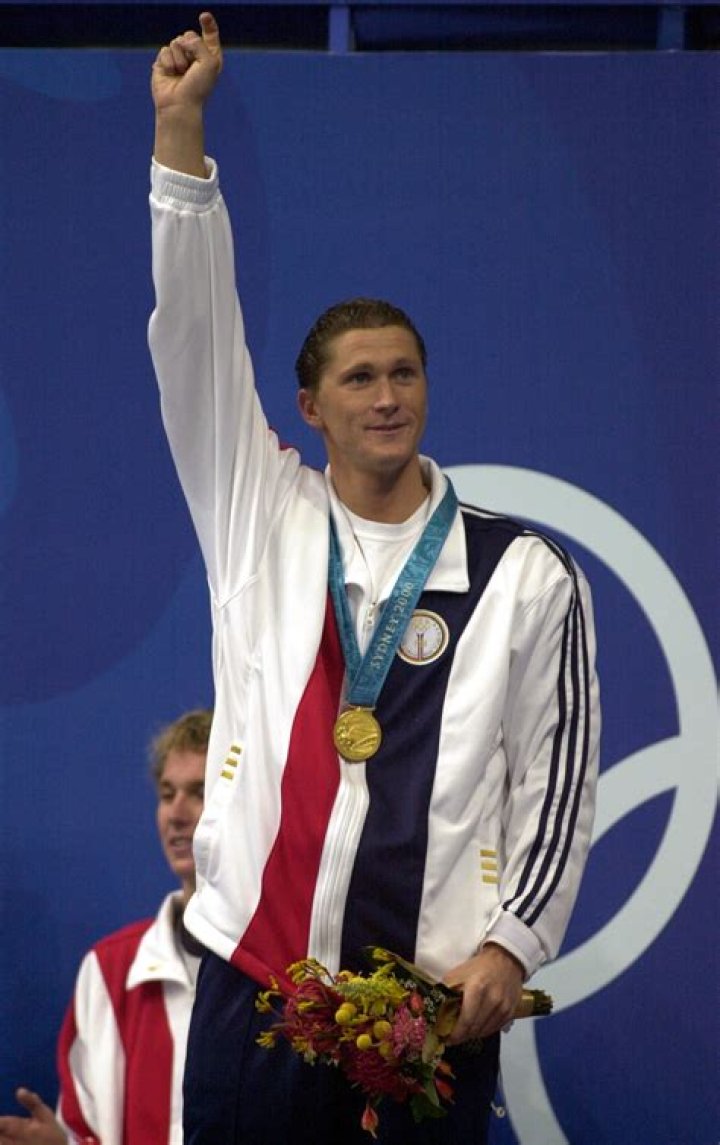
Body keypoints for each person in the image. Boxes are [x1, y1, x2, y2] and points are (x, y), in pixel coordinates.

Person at [148, 13, 600, 1144]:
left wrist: (513, 944)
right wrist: (180, 135)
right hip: (257, 996)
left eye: (405, 373)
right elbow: (193, 337)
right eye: (358, 378)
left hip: (426, 1016)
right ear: (310, 406)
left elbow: (556, 786)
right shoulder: (260, 514)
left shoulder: (525, 573)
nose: (387, 395)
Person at [0, 709, 212, 1145]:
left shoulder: (290, 967)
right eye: (166, 794)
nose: (176, 813)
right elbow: (86, 1133)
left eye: (200, 792)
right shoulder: (108, 971)